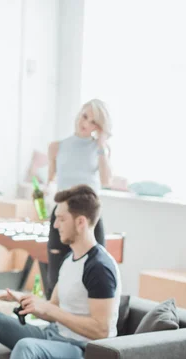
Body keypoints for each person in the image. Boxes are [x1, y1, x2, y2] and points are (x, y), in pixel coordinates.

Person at [0, 185, 121, 359]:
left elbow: (101, 330)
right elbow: (53, 308)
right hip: (55, 335)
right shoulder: (71, 259)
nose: (55, 225)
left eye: (61, 219)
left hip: (83, 349)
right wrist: (23, 299)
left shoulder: (99, 267)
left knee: (26, 347)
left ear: (81, 222)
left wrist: (49, 311)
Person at [45, 99, 114, 297]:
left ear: (99, 128)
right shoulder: (56, 147)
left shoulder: (101, 149)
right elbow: (50, 180)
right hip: (62, 214)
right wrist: (43, 192)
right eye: (85, 116)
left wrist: (101, 145)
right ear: (79, 113)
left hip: (90, 218)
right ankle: (54, 319)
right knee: (55, 274)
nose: (86, 124)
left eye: (94, 122)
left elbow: (106, 179)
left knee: (95, 267)